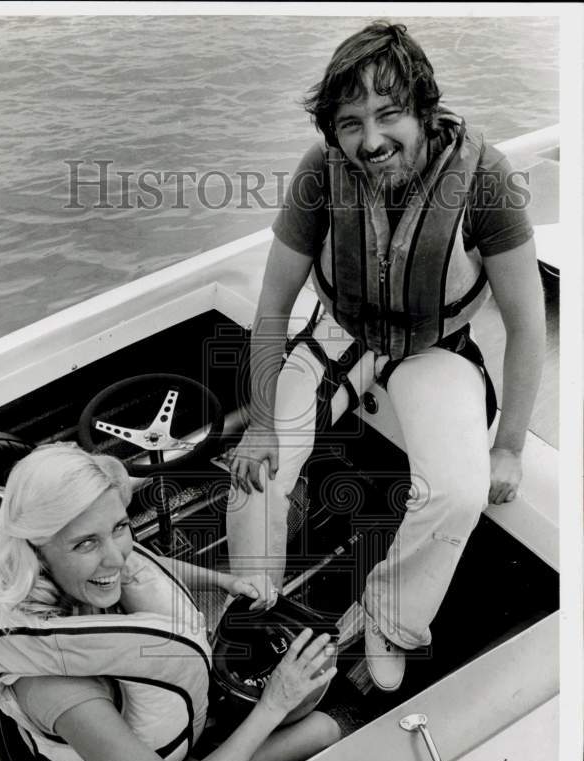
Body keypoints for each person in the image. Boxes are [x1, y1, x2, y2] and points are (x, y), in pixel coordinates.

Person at [228, 21, 546, 692]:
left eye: (387, 113)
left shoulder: (484, 178)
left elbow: (524, 324)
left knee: (457, 492)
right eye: (349, 123)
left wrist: (509, 445)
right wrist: (259, 423)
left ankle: (389, 616)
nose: (369, 140)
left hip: (435, 348)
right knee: (259, 467)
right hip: (339, 332)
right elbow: (270, 307)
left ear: (424, 111)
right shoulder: (319, 174)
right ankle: (249, 596)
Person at [0, 442, 341, 761]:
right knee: (323, 730)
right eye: (86, 543)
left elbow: (142, 568)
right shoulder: (56, 687)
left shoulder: (60, 569)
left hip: (168, 719)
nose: (116, 556)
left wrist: (225, 581)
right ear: (38, 552)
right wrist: (274, 703)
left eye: (119, 527)